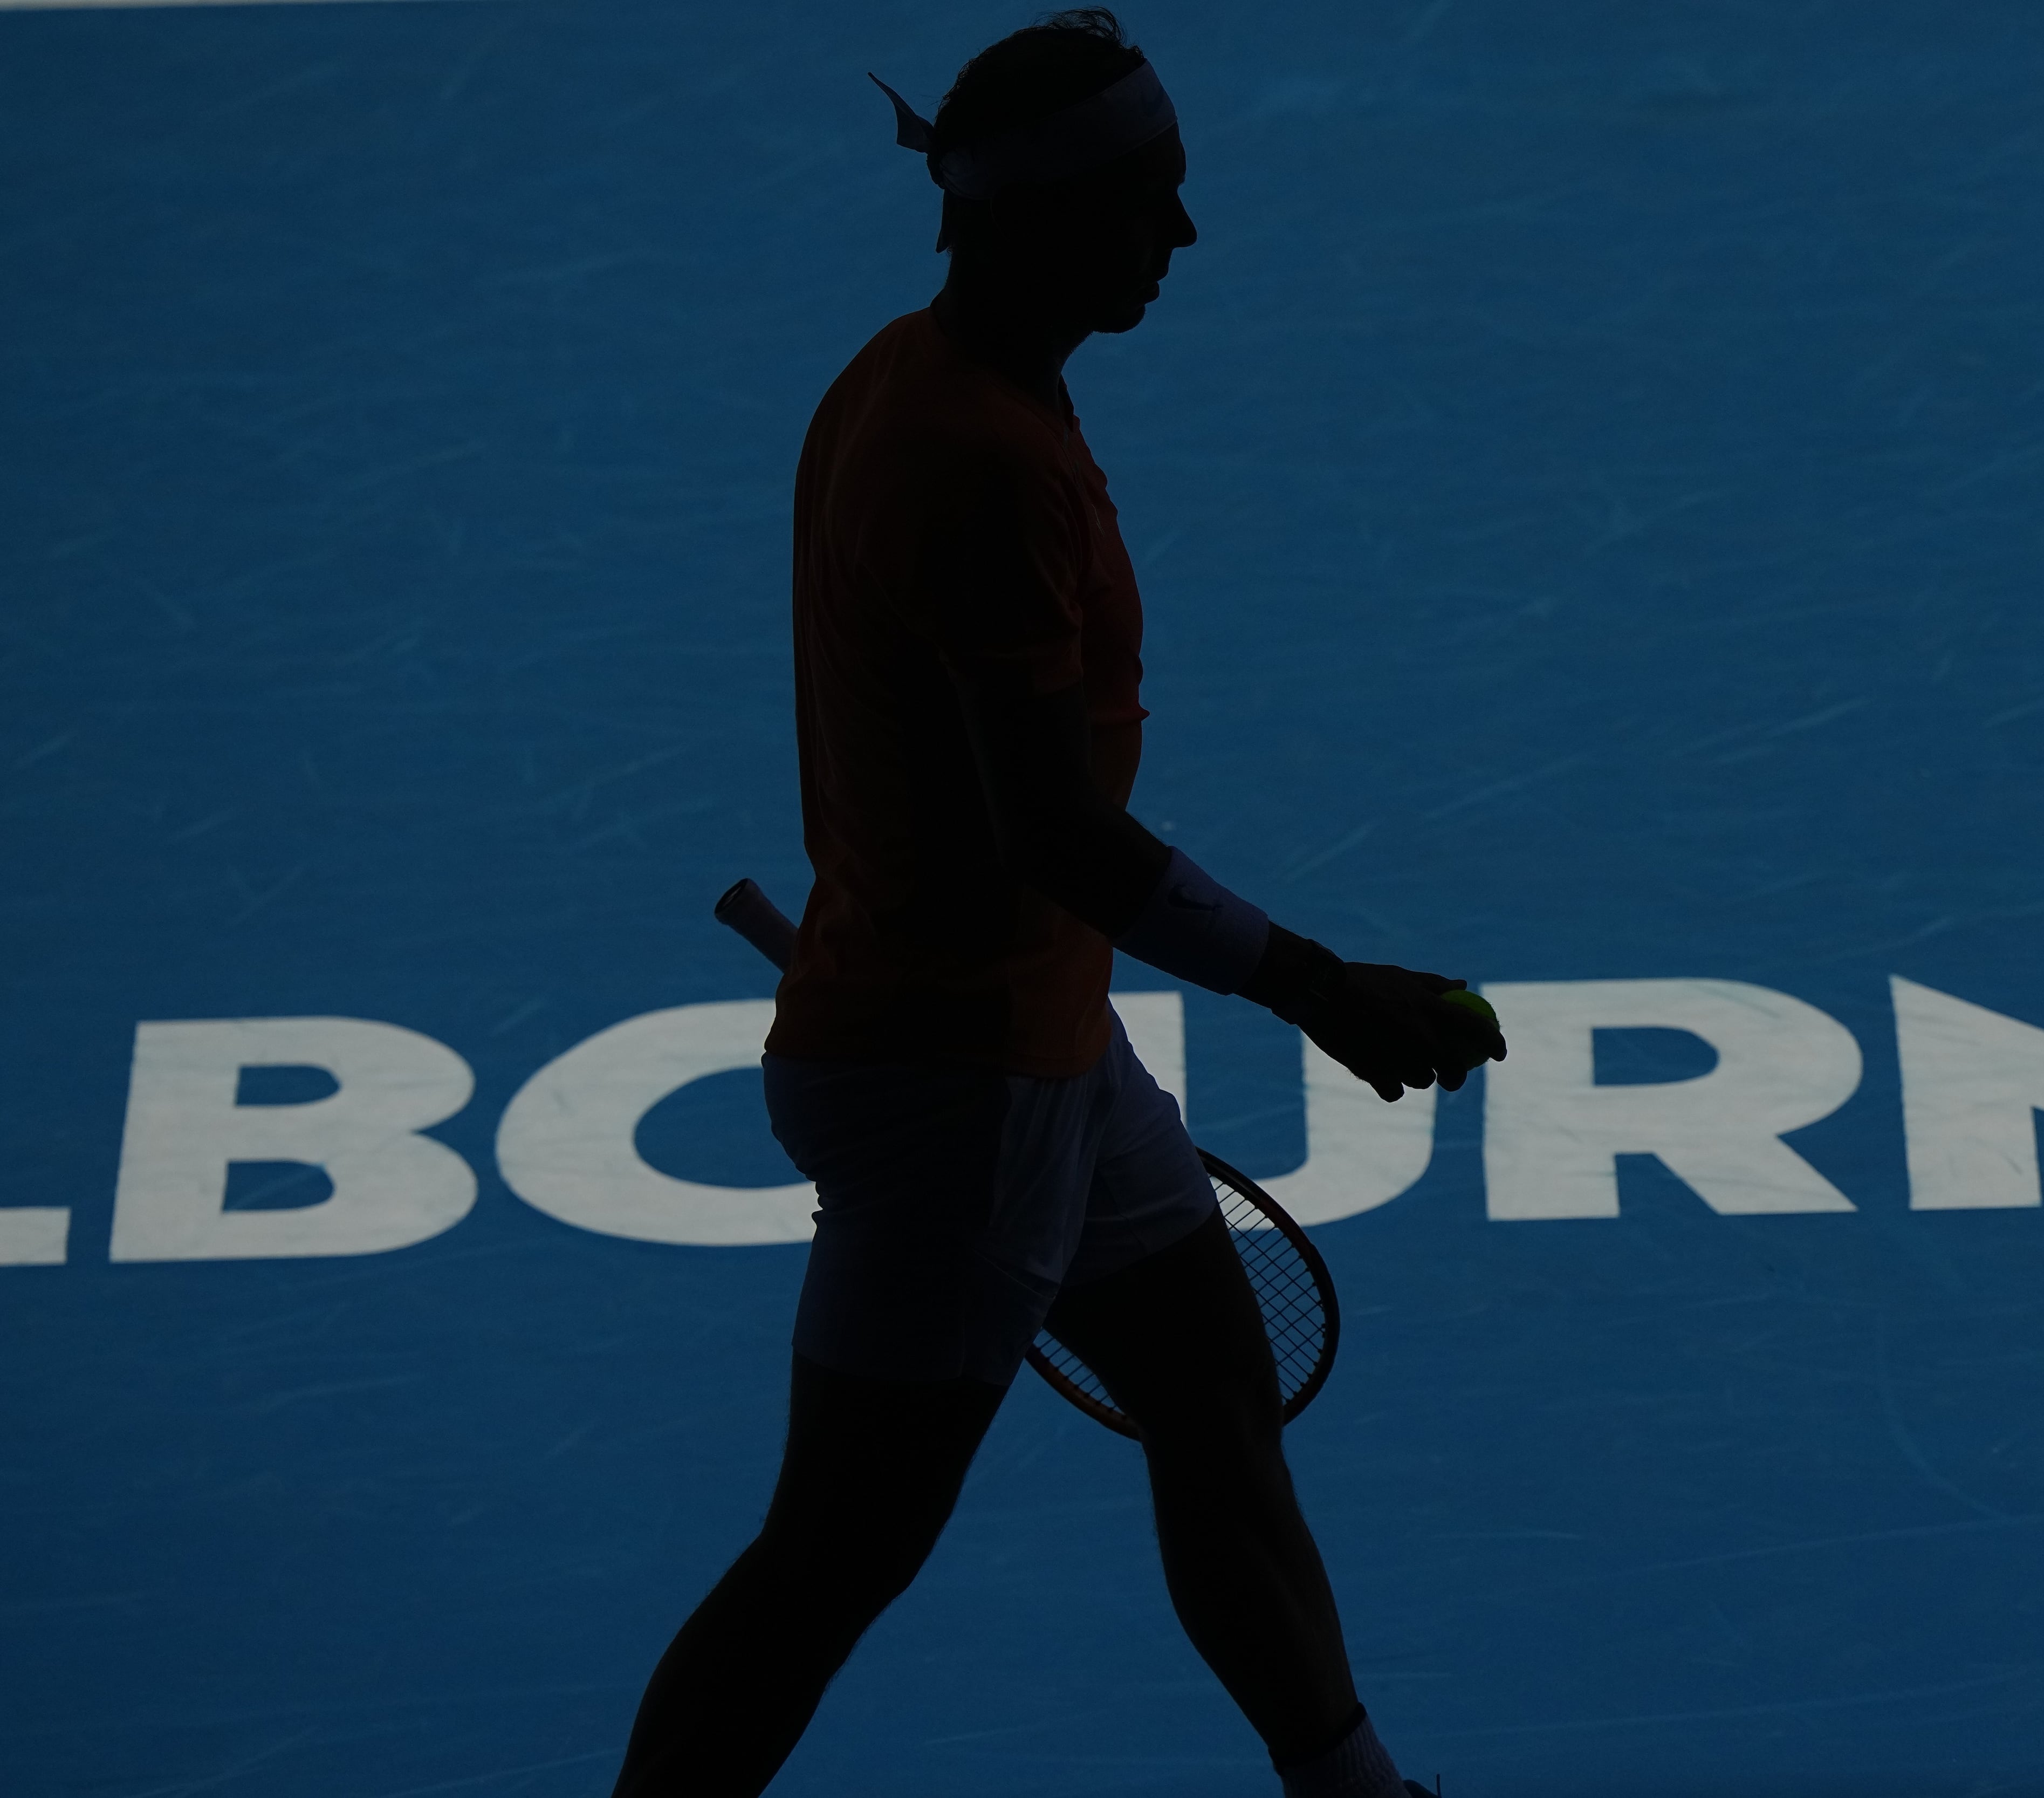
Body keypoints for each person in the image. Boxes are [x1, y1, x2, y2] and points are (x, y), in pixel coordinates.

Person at [607, 13, 1504, 1797]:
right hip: (956, 1088)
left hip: (1037, 1049)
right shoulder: (981, 464)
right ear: (1040, 221)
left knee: (1214, 1401)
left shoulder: (919, 377)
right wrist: (1323, 989)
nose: (1185, 240)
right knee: (835, 1556)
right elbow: (1062, 836)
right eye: (1149, 206)